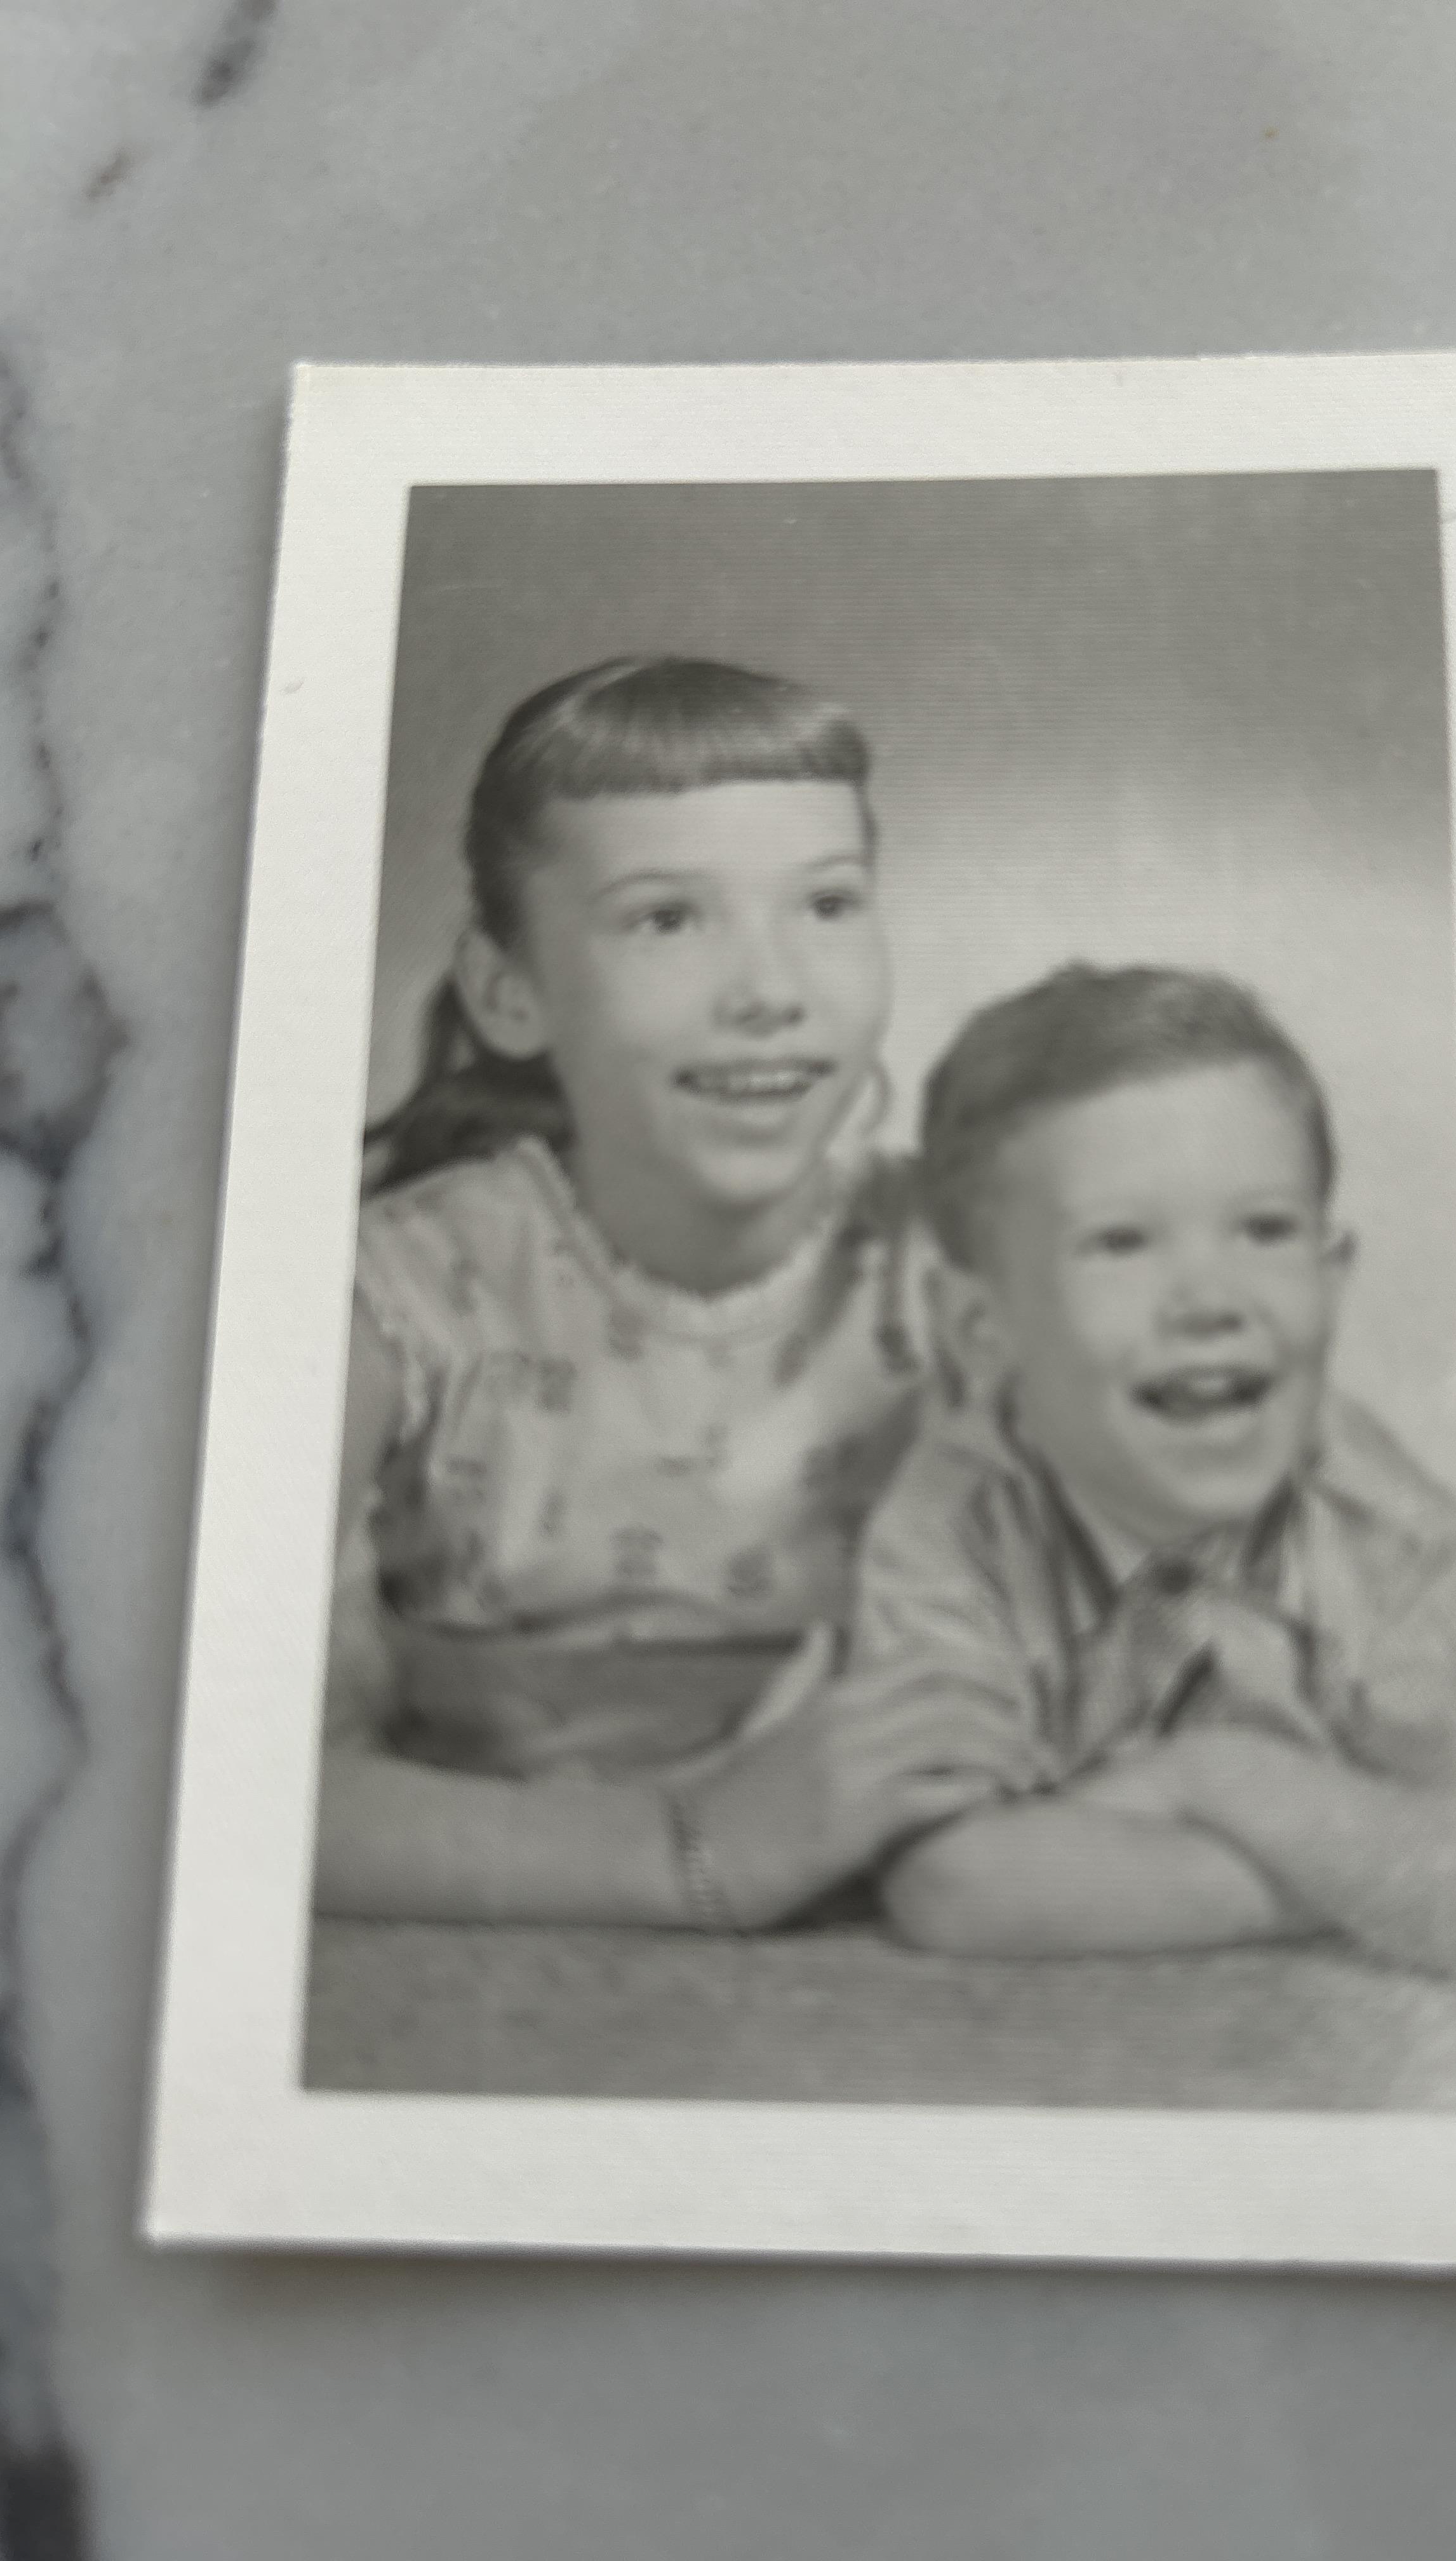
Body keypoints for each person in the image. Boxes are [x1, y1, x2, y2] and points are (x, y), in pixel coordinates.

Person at [317, 657, 1038, 1930]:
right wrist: (680, 1851)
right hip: (502, 1951)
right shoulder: (404, 1290)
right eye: (667, 918)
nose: (771, 990)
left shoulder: (967, 1258)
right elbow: (181, 1762)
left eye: (827, 904)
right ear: (510, 991)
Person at [852, 964, 1456, 1979]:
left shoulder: (1394, 1545)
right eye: (1122, 1243)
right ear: (982, 1328)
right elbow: (956, 1885)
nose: (1211, 1299)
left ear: (1334, 1273)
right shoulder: (962, 1522)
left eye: (1266, 1230)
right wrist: (1346, 1858)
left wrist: (1225, 1782)